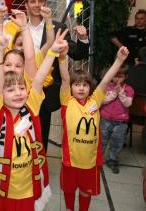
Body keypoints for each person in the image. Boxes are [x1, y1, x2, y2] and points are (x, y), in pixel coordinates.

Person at [0, 29, 69, 211]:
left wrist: (52, 51)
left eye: (21, 88)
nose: (18, 93)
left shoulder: (31, 105)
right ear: (0, 94)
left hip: (28, 189)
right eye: (11, 90)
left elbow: (38, 78)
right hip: (3, 190)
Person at [59, 43, 129, 211]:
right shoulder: (67, 102)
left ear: (90, 87)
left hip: (90, 162)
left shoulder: (95, 101)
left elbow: (105, 80)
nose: (81, 88)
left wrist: (119, 61)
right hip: (70, 162)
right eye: (77, 85)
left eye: (85, 85)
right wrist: (62, 57)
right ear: (71, 88)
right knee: (69, 190)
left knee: (85, 191)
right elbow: (65, 79)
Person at [25, 0, 89, 151]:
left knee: (41, 134)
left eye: (40, 1)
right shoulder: (19, 26)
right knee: (20, 134)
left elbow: (77, 53)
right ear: (26, 5)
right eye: (33, 1)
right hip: (21, 90)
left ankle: (39, 170)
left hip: (46, 93)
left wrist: (83, 38)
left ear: (45, 4)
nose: (37, 5)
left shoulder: (58, 27)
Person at [100, 65, 134, 174]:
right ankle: (97, 159)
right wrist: (113, 94)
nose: (117, 79)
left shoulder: (129, 89)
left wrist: (120, 93)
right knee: (102, 140)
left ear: (126, 77)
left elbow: (128, 103)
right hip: (105, 119)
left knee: (117, 142)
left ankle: (112, 160)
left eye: (120, 76)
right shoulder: (107, 87)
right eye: (115, 76)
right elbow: (101, 101)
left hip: (121, 122)